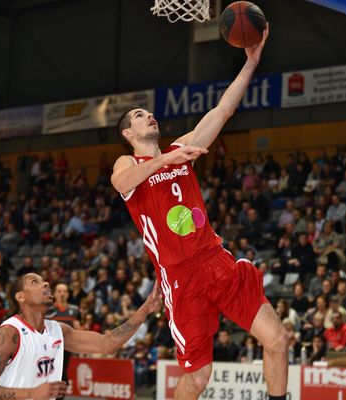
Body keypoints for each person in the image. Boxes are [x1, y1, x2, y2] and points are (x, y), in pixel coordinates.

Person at [110, 26, 288, 400]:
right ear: (128, 132)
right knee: (199, 376)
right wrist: (169, 158)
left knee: (277, 338)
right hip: (181, 277)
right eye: (141, 116)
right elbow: (121, 181)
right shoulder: (128, 161)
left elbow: (223, 109)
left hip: (215, 259)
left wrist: (251, 63)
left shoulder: (182, 147)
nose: (150, 117)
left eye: (149, 113)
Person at [0, 273, 161, 400]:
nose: (46, 283)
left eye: (44, 281)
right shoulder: (9, 333)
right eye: (35, 282)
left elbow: (107, 344)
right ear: (20, 297)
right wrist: (32, 393)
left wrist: (144, 310)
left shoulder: (58, 330)